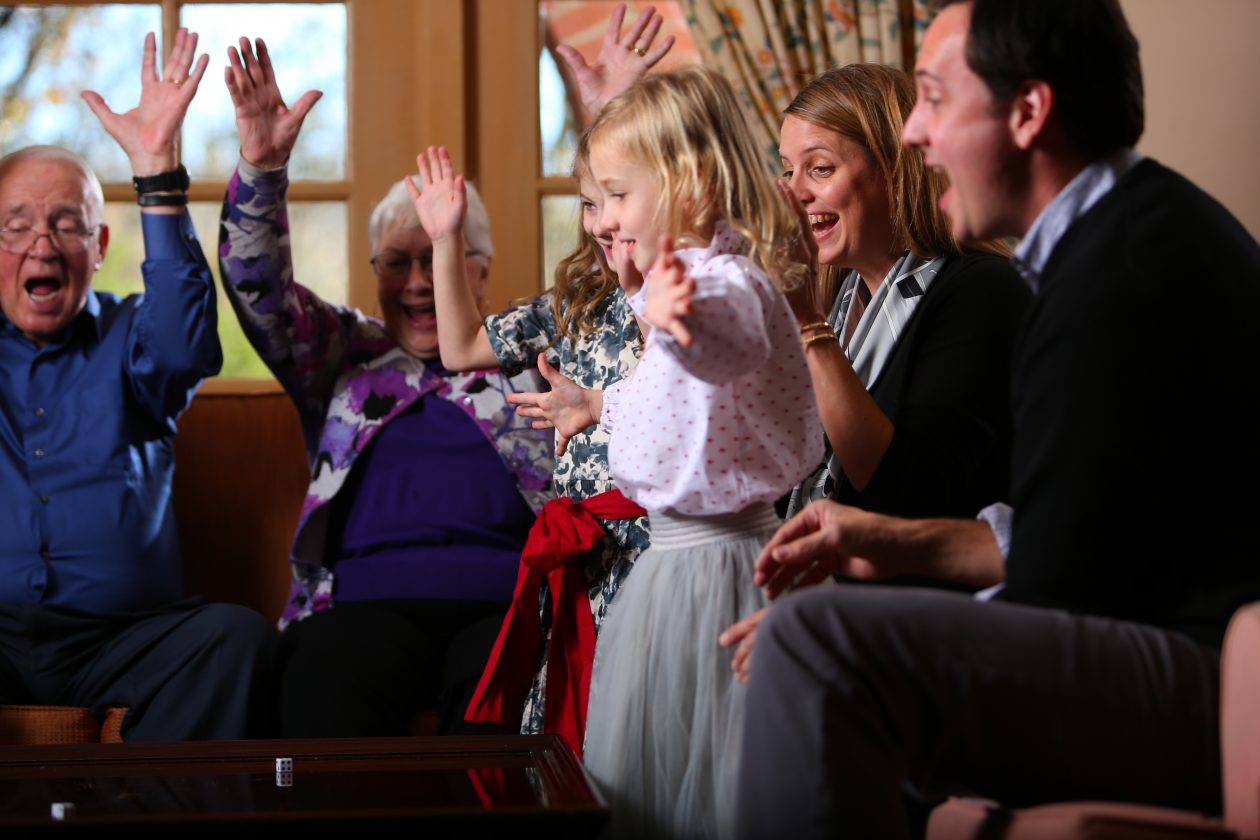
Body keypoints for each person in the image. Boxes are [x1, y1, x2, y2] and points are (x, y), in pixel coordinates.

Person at [734, 1, 1260, 837]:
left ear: (1027, 112)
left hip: (1211, 674)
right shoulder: (1125, 236)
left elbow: (1063, 593)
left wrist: (872, 614)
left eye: (935, 100)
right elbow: (1068, 539)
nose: (914, 135)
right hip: (1172, 644)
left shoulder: (1119, 274)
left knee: (810, 642)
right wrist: (886, 543)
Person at [217, 37, 553, 737]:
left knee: (507, 706)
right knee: (318, 689)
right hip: (363, 611)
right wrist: (261, 166)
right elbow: (256, 287)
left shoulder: (531, 357)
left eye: (437, 255)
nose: (418, 283)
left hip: (504, 606)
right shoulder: (342, 352)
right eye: (396, 263)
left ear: (481, 267)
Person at [532, 65, 822, 837]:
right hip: (669, 567)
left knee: (715, 773)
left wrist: (680, 317)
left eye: (620, 195)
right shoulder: (678, 282)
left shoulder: (725, 283)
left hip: (720, 571)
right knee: (649, 768)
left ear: (688, 184)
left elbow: (726, 342)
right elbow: (678, 399)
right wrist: (596, 404)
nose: (606, 219)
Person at [411, 3, 673, 751]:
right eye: (587, 205)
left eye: (613, 200)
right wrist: (446, 237)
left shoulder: (700, 293)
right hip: (581, 566)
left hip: (661, 562)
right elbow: (459, 347)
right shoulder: (577, 304)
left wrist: (618, 108)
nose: (599, 223)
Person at [0, 30, 276, 741]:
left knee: (233, 638)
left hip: (123, 638)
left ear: (97, 250)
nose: (41, 244)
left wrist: (155, 173)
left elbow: (188, 341)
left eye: (67, 225)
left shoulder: (131, 339)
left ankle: (148, 818)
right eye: (17, 226)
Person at [720, 63, 1031, 679]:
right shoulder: (842, 301)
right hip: (825, 622)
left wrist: (806, 324)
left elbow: (900, 494)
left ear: (896, 168)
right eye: (788, 170)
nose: (796, 193)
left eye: (821, 168)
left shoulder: (981, 291)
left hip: (929, 644)